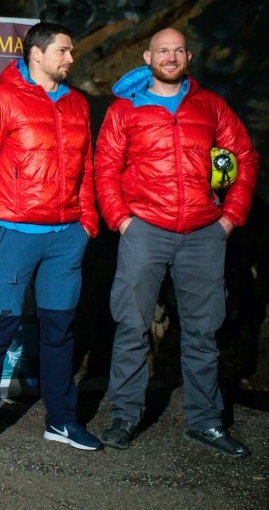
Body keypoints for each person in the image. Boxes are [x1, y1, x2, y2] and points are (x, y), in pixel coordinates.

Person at [95, 27, 258, 457]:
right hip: (145, 228)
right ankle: (125, 417)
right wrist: (121, 219)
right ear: (147, 58)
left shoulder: (210, 105)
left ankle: (204, 421)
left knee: (204, 330)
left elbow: (243, 154)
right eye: (162, 51)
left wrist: (230, 218)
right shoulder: (125, 109)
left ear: (188, 56)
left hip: (204, 232)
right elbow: (105, 167)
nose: (170, 57)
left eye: (178, 51)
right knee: (132, 324)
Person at [0, 21, 101, 453]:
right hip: (13, 234)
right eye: (64, 50)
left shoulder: (77, 104)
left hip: (65, 238)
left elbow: (87, 168)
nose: (71, 59)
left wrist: (86, 223)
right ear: (37, 54)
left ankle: (61, 420)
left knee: (58, 331)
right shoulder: (2, 100)